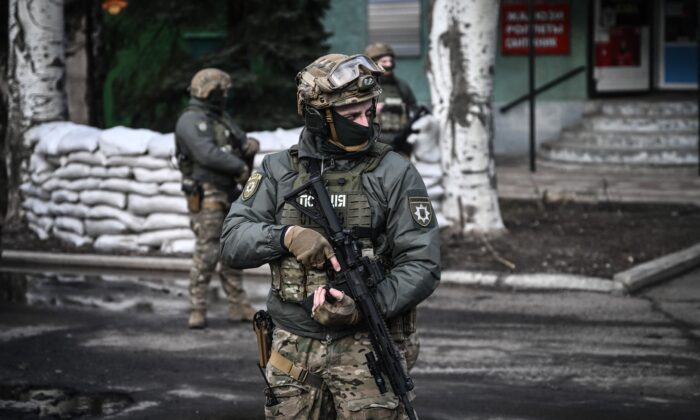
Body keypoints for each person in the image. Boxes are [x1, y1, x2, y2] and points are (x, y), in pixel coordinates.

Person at [221, 54, 440, 419]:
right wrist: (285, 236)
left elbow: (422, 262)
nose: (365, 123)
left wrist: (364, 307)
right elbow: (232, 242)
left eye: (369, 112)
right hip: (293, 348)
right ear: (317, 118)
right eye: (351, 115)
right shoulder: (278, 171)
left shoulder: (395, 172)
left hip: (367, 347)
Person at [175, 68, 259, 329]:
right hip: (207, 190)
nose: (224, 96)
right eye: (222, 91)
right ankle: (197, 307)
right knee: (208, 250)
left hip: (228, 191)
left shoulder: (220, 118)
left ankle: (238, 304)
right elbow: (206, 153)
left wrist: (249, 145)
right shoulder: (190, 120)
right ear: (210, 91)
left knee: (232, 249)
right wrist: (240, 167)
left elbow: (239, 140)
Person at [364, 42, 418, 156]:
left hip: (401, 144)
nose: (389, 64)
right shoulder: (364, 87)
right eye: (384, 61)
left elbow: (414, 110)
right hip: (374, 147)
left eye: (391, 61)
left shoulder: (402, 86)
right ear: (373, 64)